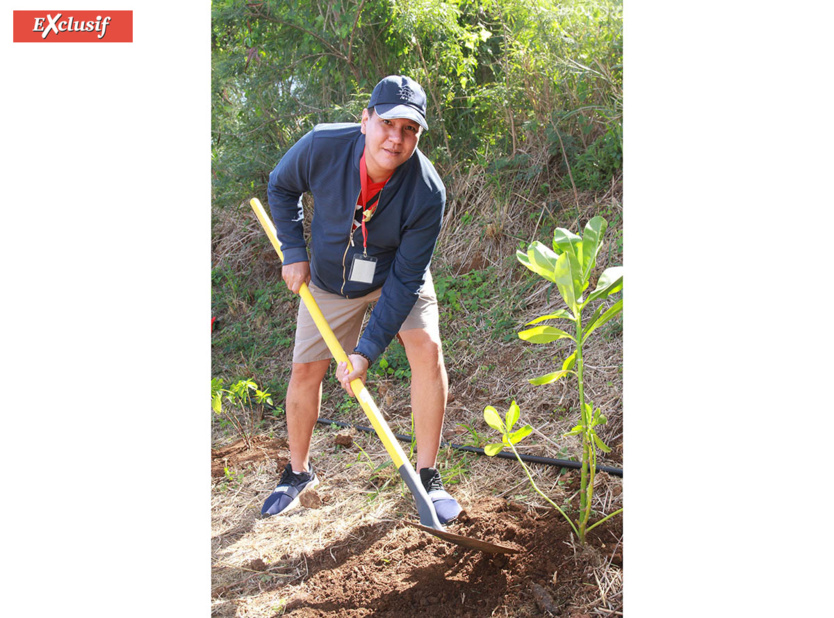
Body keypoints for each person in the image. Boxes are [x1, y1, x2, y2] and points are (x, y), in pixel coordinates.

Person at [261, 75, 461, 524]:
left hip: (393, 275)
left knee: (427, 349)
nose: (396, 138)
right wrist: (293, 251)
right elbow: (280, 185)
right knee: (306, 369)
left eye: (409, 129)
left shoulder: (427, 191)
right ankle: (298, 473)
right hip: (330, 278)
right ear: (365, 119)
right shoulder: (322, 146)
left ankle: (427, 476)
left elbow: (407, 279)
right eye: (388, 123)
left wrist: (365, 351)